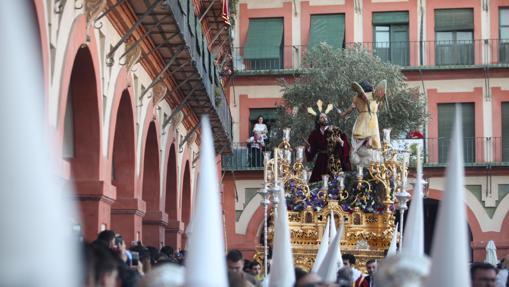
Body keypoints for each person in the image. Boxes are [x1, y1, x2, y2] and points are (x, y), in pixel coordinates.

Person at [306, 112, 351, 183]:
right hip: (321, 161)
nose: (324, 119)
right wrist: (309, 149)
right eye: (322, 117)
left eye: (325, 117)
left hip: (334, 160)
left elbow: (346, 145)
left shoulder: (335, 130)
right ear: (318, 121)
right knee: (317, 182)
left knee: (335, 182)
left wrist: (341, 142)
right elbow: (312, 150)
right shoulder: (314, 133)